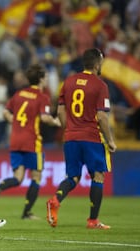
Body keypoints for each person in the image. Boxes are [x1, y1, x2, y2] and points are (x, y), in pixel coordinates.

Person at [46, 48, 117, 229]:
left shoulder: (68, 82)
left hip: (71, 137)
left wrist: (68, 128)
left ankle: (55, 199)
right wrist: (110, 140)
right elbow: (102, 117)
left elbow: (61, 110)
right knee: (98, 176)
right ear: (97, 63)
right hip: (92, 137)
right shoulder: (100, 86)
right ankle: (93, 220)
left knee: (74, 176)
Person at [0, 64, 61, 219]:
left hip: (15, 140)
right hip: (32, 142)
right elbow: (44, 117)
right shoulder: (42, 97)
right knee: (36, 177)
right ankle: (26, 212)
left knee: (18, 178)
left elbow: (6, 111)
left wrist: (13, 121)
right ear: (41, 79)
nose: (46, 79)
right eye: (45, 77)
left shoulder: (19, 94)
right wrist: (55, 121)